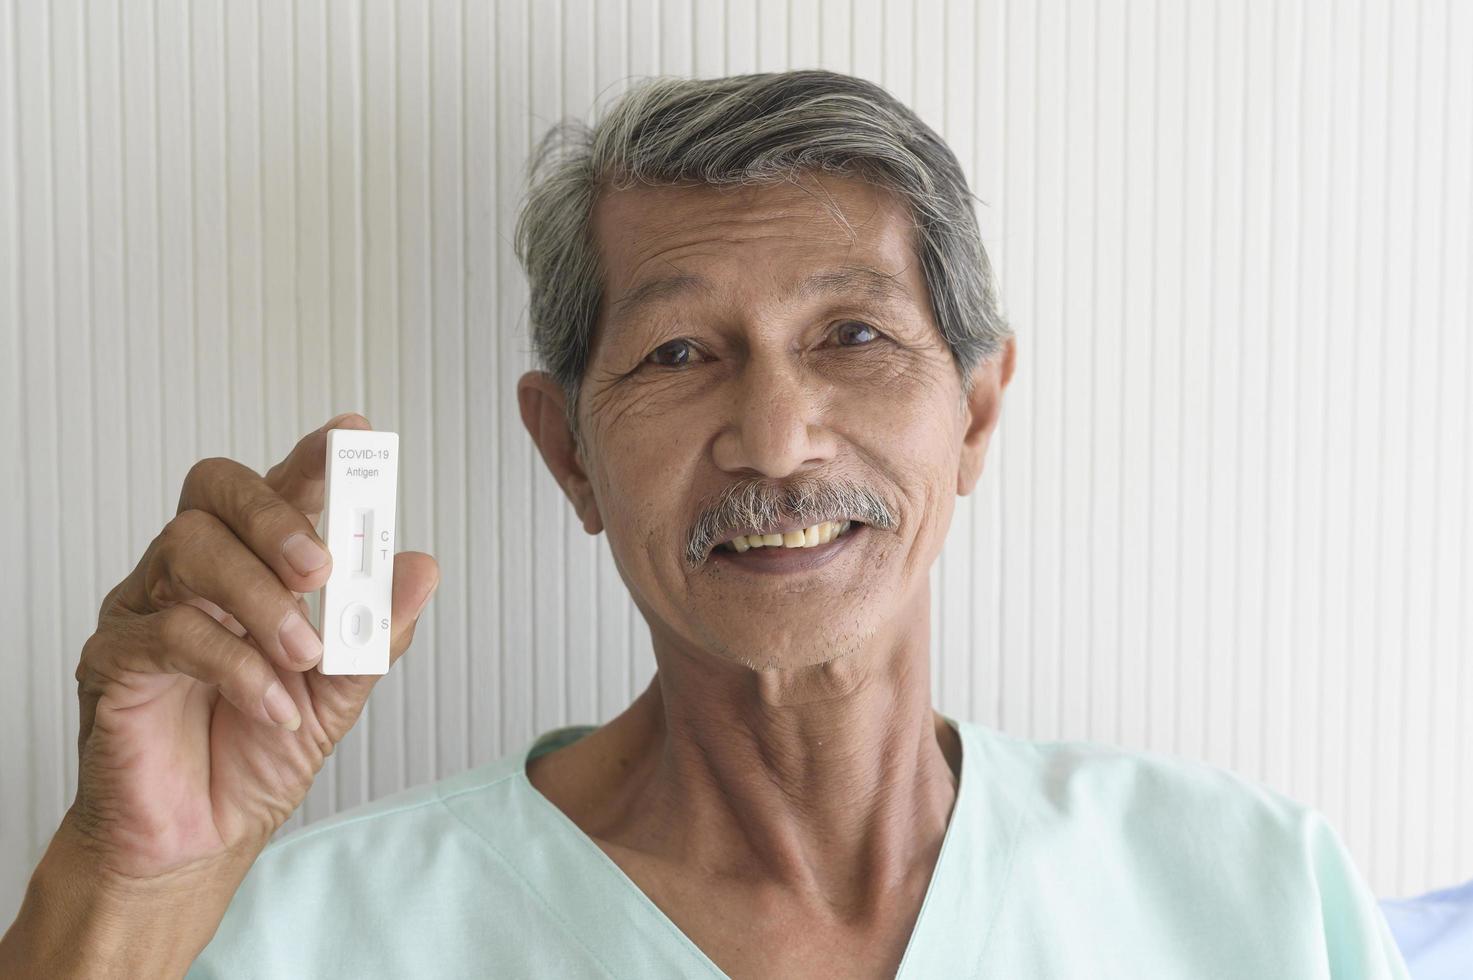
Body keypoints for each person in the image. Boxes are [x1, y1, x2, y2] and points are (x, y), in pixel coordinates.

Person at [1, 69, 1409, 979]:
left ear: (975, 412)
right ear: (566, 454)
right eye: (679, 356)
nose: (776, 439)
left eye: (851, 334)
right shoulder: (296, 933)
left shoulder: (1257, 895)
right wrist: (124, 886)